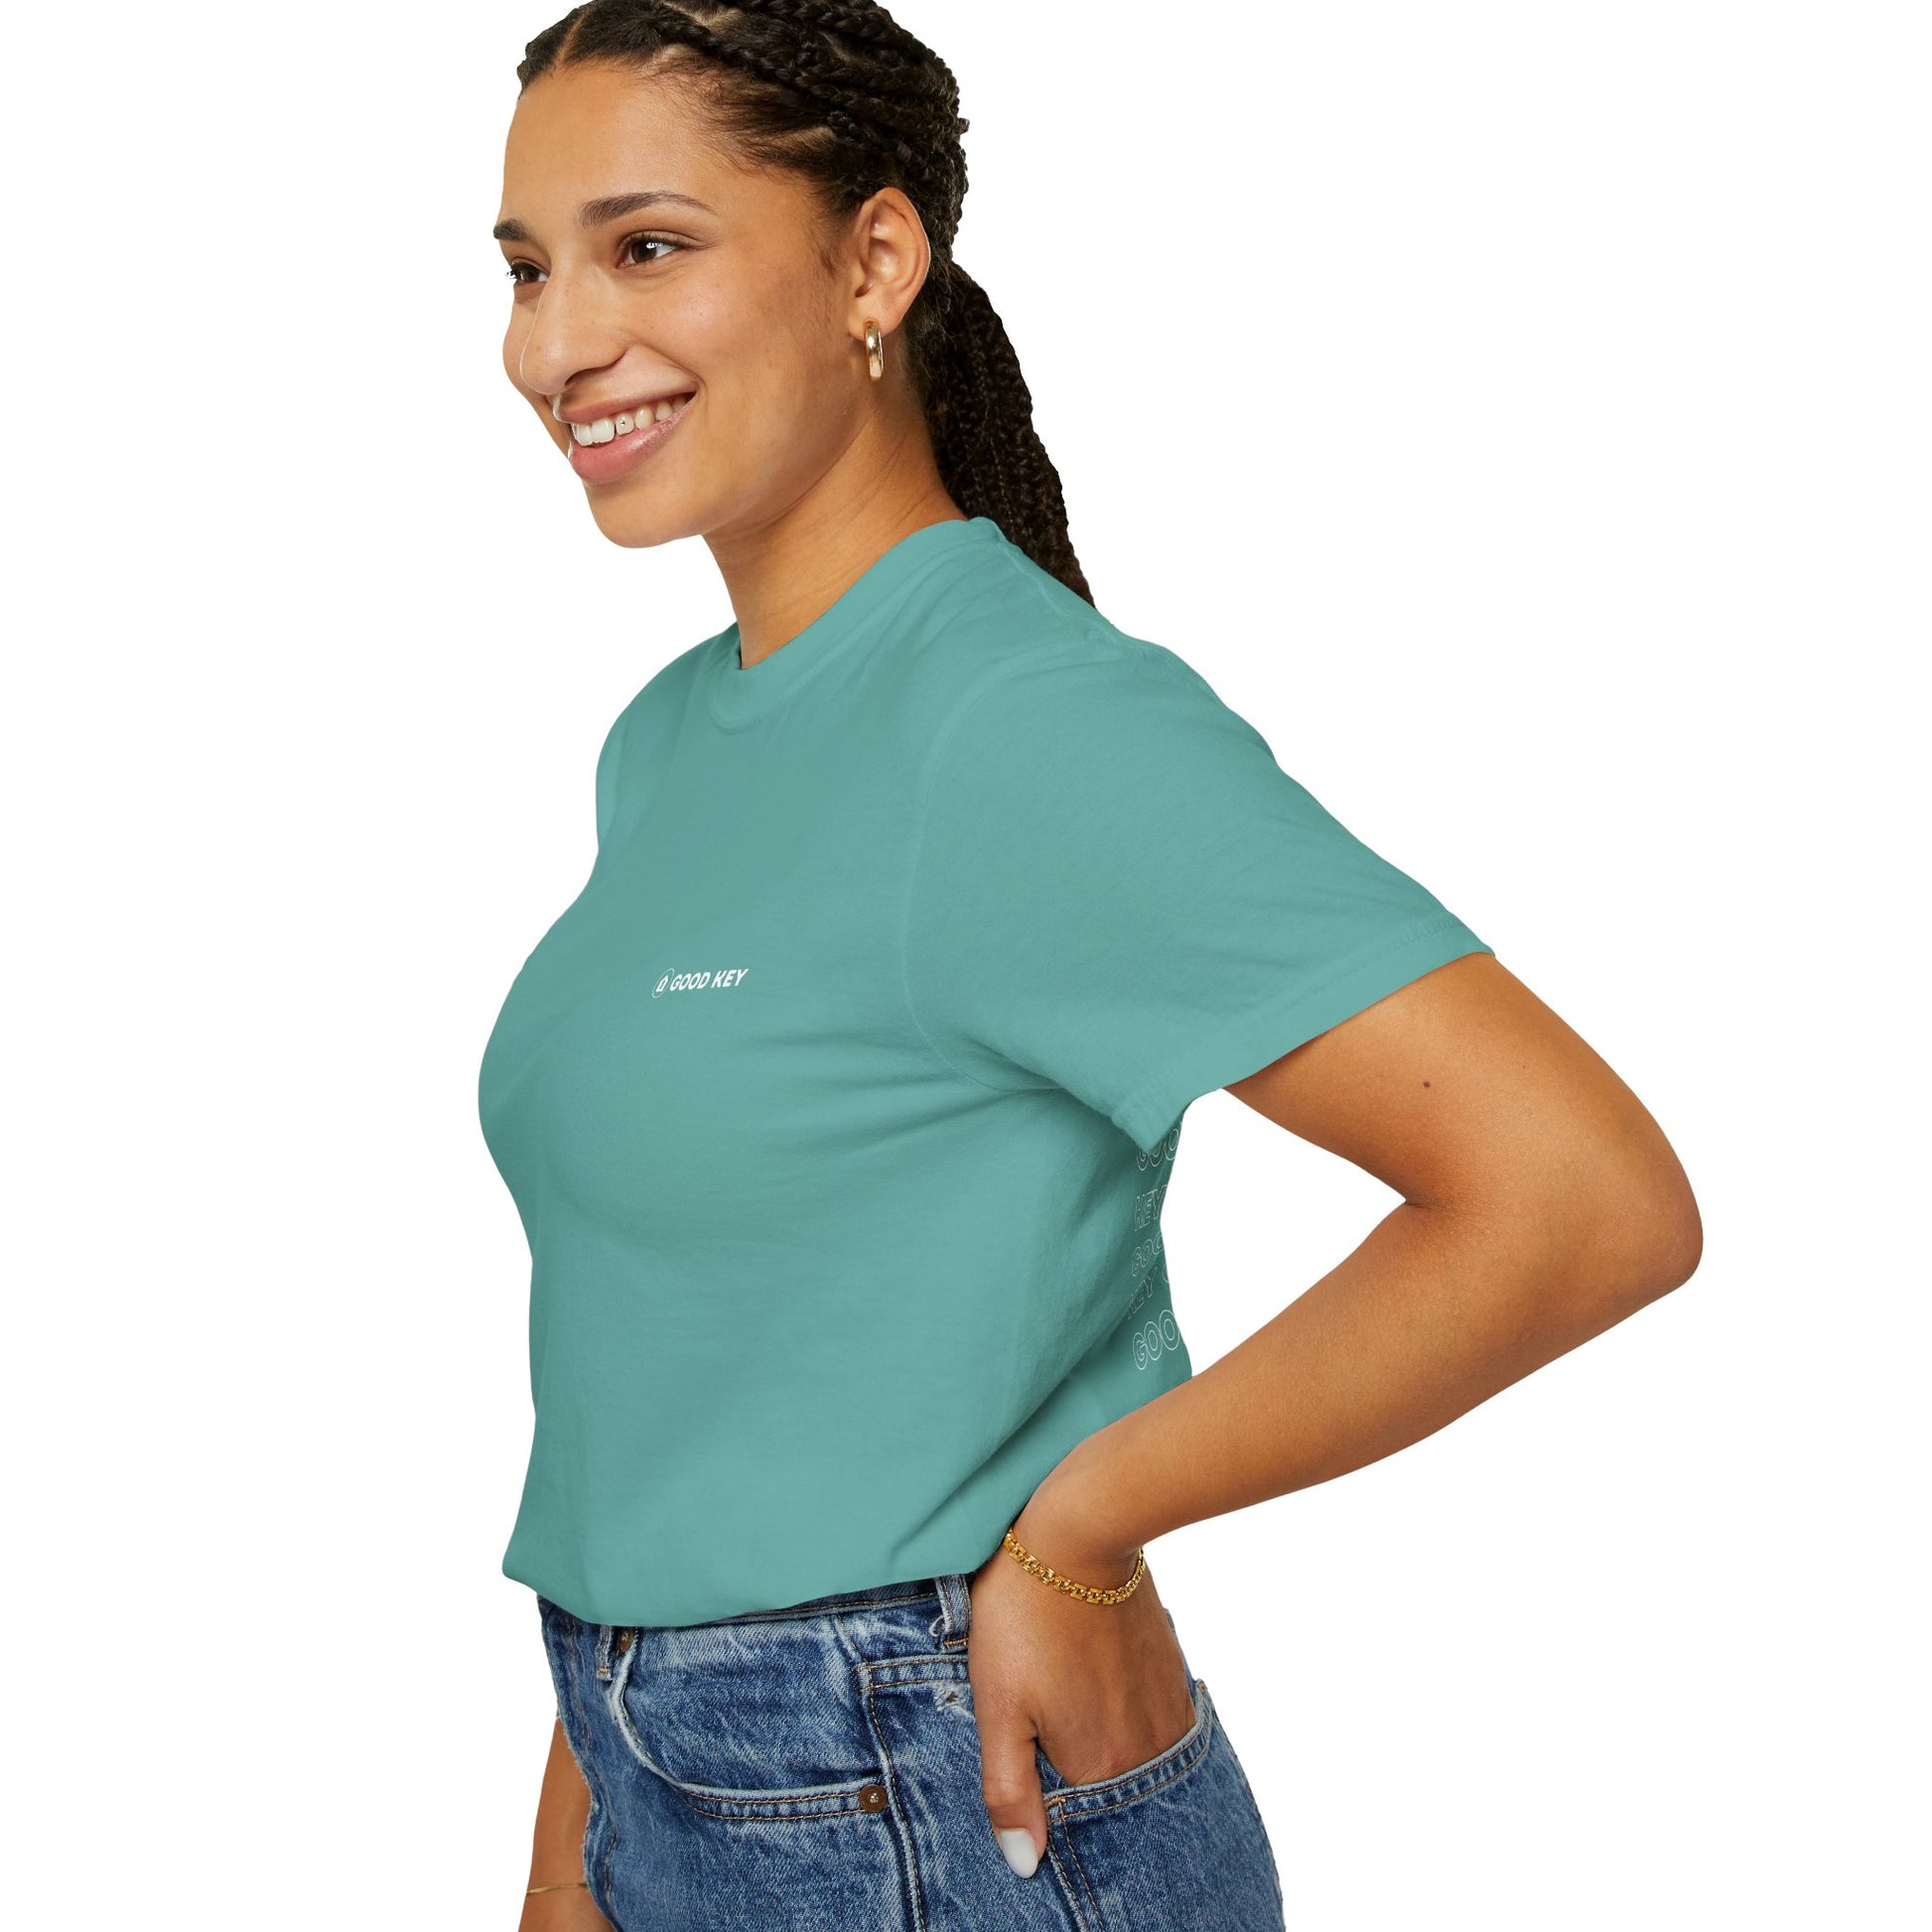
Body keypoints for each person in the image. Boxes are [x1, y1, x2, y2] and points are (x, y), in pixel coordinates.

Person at [478, 6, 1704, 1928]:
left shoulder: (1018, 722)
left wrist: (1085, 1522)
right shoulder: (669, 743)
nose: (556, 344)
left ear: (875, 262)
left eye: (646, 247)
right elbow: (681, 1371)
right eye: (526, 269)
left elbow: (1581, 1197)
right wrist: (578, 1848)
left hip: (935, 1800)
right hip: (659, 1779)